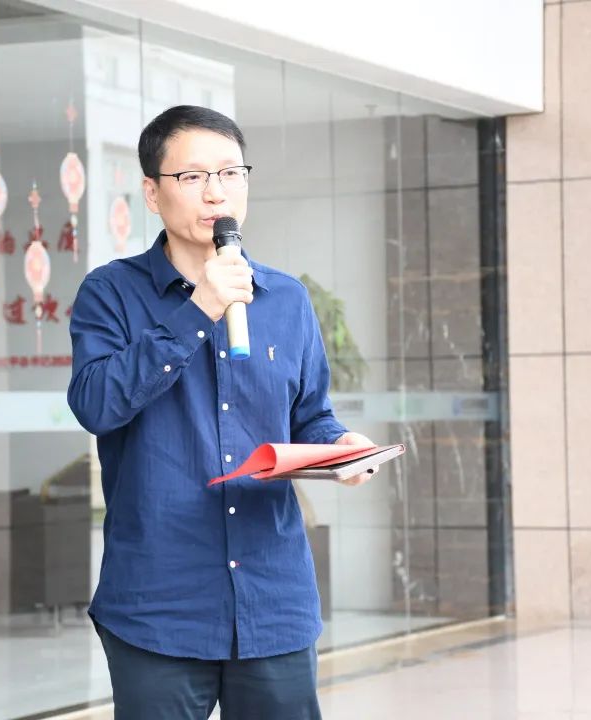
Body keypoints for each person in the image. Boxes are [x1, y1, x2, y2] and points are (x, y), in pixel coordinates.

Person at [67, 105, 376, 720]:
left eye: (231, 173)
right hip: (159, 601)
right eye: (193, 177)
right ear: (152, 193)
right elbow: (96, 404)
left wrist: (341, 446)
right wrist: (198, 311)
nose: (216, 192)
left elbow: (310, 415)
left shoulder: (286, 298)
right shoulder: (110, 292)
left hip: (273, 598)